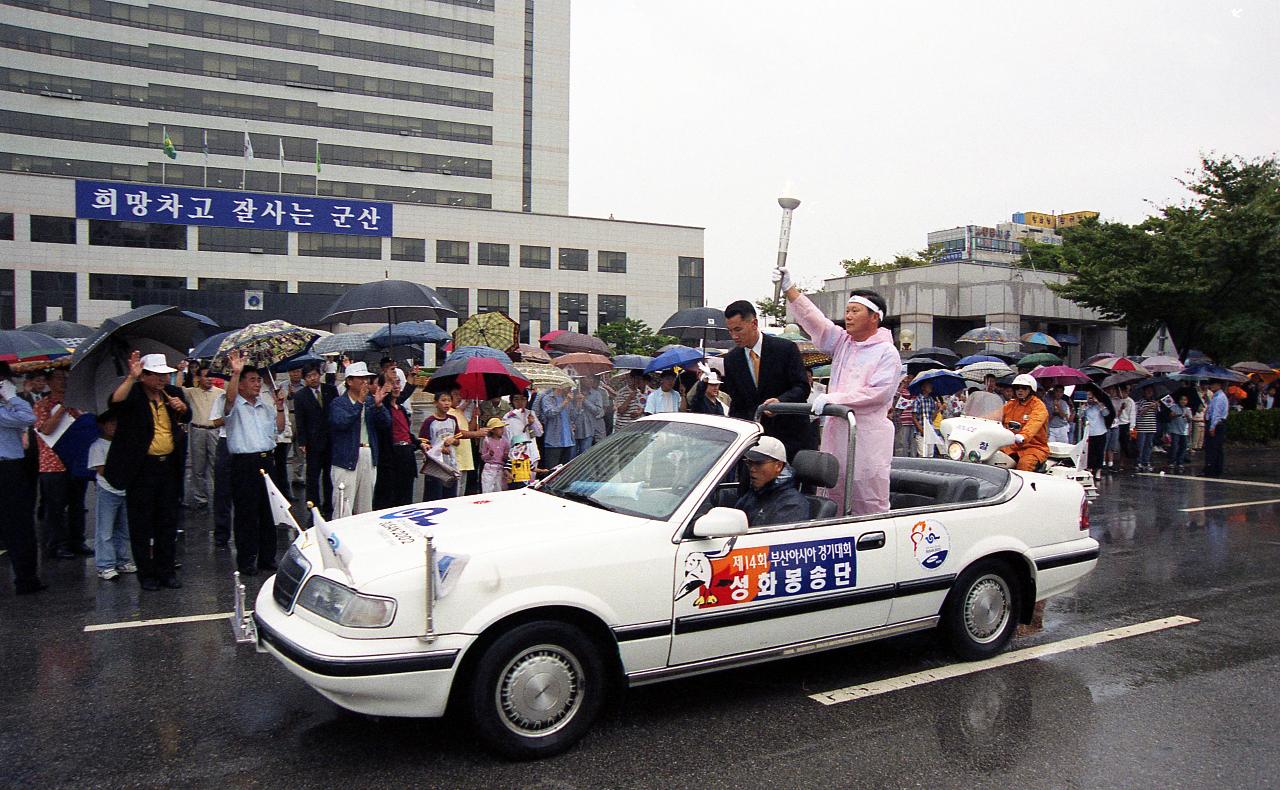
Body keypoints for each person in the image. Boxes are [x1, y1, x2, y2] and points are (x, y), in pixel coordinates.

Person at [776, 271, 899, 514]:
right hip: (836, 436)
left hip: (866, 439)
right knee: (832, 494)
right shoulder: (843, 342)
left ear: (875, 317)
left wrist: (835, 399)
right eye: (848, 310)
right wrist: (790, 290)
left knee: (867, 500)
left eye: (856, 311)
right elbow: (816, 321)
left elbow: (878, 394)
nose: (849, 316)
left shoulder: (887, 352)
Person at [105, 351, 191, 591]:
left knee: (167, 521)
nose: (162, 380)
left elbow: (189, 414)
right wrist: (131, 378)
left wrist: (182, 407)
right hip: (142, 469)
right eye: (156, 375)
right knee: (141, 523)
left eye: (165, 375)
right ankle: (147, 573)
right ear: (145, 376)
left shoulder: (172, 394)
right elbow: (114, 402)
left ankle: (166, 571)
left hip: (168, 467)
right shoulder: (133, 394)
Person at [721, 300, 811, 459]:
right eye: (729, 331)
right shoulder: (731, 359)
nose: (734, 336)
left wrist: (780, 402)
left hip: (790, 438)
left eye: (738, 329)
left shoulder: (785, 349)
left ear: (754, 323)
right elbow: (737, 403)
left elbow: (802, 387)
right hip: (755, 443)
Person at [222, 352, 286, 576]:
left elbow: (279, 428)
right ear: (240, 384)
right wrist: (236, 371)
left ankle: (267, 557)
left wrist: (279, 407)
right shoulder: (233, 404)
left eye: (259, 380)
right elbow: (228, 402)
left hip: (267, 460)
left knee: (269, 512)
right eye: (252, 379)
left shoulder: (264, 406)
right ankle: (247, 559)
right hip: (244, 463)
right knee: (246, 513)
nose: (257, 384)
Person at [32, 369, 89, 558]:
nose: (63, 382)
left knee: (77, 504)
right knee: (55, 507)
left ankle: (77, 540)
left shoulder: (77, 405)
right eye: (58, 379)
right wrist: (62, 408)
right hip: (52, 463)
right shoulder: (42, 405)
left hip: (75, 462)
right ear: (48, 382)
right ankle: (56, 544)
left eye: (66, 378)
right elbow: (46, 429)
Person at [328, 361, 390, 517]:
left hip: (368, 454)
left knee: (365, 506)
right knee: (344, 505)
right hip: (346, 459)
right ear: (349, 381)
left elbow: (386, 424)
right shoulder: (338, 403)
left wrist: (379, 406)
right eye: (360, 378)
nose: (365, 382)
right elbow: (341, 423)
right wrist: (359, 403)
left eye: (367, 379)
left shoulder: (371, 401)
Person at [0, 367, 42, 594]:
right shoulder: (9, 405)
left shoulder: (7, 405)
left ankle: (27, 578)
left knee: (21, 525)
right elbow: (29, 417)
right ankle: (25, 579)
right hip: (5, 467)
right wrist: (13, 397)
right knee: (16, 525)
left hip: (14, 466)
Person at [88, 410, 134, 581]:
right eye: (111, 424)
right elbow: (101, 469)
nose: (115, 427)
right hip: (108, 489)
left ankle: (123, 559)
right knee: (105, 529)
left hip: (124, 490)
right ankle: (105, 564)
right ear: (103, 426)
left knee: (124, 528)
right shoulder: (97, 446)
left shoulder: (124, 444)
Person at [733, 436, 809, 527]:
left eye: (758, 463)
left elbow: (777, 540)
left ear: (778, 466)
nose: (752, 469)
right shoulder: (753, 494)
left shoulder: (792, 505)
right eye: (749, 463)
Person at [293, 364, 337, 520]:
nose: (313, 378)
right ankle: (313, 508)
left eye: (315, 375)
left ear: (320, 374)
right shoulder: (300, 396)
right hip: (312, 441)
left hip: (330, 439)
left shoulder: (330, 390)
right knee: (313, 476)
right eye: (309, 376)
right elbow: (300, 420)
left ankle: (329, 506)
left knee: (329, 476)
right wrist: (302, 442)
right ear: (305, 379)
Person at [375, 370, 422, 508]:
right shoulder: (382, 408)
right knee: (390, 499)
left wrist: (419, 443)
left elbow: (406, 432)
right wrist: (378, 405)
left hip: (407, 455)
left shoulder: (400, 408)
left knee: (406, 499)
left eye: (398, 382)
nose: (396, 386)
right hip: (391, 458)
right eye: (391, 383)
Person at [183, 364, 223, 510]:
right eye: (206, 376)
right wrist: (180, 370)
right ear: (199, 377)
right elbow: (176, 389)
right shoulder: (192, 392)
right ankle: (201, 498)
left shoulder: (220, 392)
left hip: (214, 431)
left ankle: (216, 495)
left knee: (215, 465)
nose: (209, 379)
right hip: (197, 430)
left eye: (212, 376)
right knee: (198, 466)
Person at [999, 374, 1050, 472]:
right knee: (993, 458)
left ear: (1031, 390)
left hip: (1033, 448)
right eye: (1017, 388)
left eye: (1024, 388)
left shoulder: (1038, 406)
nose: (1020, 390)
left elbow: (1035, 423)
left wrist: (1023, 435)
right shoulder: (1011, 404)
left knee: (1025, 464)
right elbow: (995, 415)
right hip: (1011, 446)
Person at [419, 391, 460, 501]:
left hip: (451, 465)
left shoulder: (453, 420)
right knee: (434, 498)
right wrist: (439, 450)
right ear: (435, 403)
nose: (446, 403)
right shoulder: (429, 422)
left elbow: (458, 441)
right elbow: (423, 444)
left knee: (450, 498)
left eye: (449, 400)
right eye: (443, 400)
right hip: (435, 465)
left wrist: (453, 440)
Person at [536, 384, 576, 468]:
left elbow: (574, 416)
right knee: (552, 470)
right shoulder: (548, 398)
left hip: (568, 440)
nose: (570, 388)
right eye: (568, 385)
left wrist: (579, 404)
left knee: (566, 470)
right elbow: (550, 413)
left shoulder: (567, 399)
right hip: (553, 441)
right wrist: (565, 402)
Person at [502, 390, 543, 472]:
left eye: (523, 399)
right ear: (512, 401)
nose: (520, 402)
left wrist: (532, 423)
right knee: (519, 481)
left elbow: (539, 433)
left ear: (527, 400)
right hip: (516, 455)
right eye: (516, 399)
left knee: (531, 480)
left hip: (532, 454)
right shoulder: (507, 417)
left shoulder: (531, 413)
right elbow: (506, 438)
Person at [1201, 379, 1230, 477]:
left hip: (1217, 424)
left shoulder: (1219, 397)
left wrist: (1212, 427)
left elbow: (1216, 414)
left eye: (1213, 384)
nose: (1211, 386)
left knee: (1213, 448)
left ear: (1219, 385)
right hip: (1216, 423)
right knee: (1216, 448)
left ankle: (1212, 470)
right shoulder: (1216, 396)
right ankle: (1215, 469)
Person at [574, 375, 608, 455]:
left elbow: (597, 411)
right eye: (588, 378)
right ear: (581, 379)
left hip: (588, 430)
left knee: (584, 455)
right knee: (572, 457)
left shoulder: (596, 394)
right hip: (574, 430)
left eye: (592, 378)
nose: (591, 380)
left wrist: (585, 401)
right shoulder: (574, 393)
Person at [1082, 391, 1111, 475]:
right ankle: (1090, 469)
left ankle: (1098, 470)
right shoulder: (1085, 406)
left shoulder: (1099, 405)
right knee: (1090, 452)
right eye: (1088, 395)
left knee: (1099, 452)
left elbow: (1106, 414)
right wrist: (1083, 408)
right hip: (1089, 433)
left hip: (1100, 432)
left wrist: (1098, 403)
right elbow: (1079, 416)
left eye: (1091, 395)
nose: (1089, 397)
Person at [479, 418, 510, 493]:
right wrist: (489, 454)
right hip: (489, 468)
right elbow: (483, 457)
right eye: (499, 428)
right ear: (493, 430)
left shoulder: (505, 441)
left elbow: (506, 456)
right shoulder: (487, 441)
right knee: (487, 489)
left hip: (500, 469)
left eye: (502, 428)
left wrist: (505, 456)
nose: (502, 430)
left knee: (499, 490)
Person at [911, 379, 940, 458]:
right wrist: (921, 429)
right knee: (922, 453)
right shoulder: (918, 400)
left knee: (930, 454)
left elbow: (932, 418)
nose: (931, 387)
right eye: (928, 385)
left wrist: (938, 410)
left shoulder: (931, 400)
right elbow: (914, 417)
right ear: (923, 387)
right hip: (921, 431)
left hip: (929, 430)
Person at [1133, 386, 1160, 472]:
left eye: (1151, 391)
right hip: (1142, 427)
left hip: (1151, 427)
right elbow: (1140, 413)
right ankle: (1138, 462)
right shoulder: (1141, 402)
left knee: (1149, 445)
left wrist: (1156, 406)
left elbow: (1157, 413)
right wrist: (1148, 407)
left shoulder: (1154, 402)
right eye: (1147, 391)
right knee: (1140, 445)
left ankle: (1146, 461)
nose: (1149, 393)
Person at [892, 374, 916, 457]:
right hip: (901, 419)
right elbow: (896, 398)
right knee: (901, 441)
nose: (908, 380)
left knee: (910, 441)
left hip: (910, 419)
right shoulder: (901, 390)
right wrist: (902, 385)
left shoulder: (914, 391)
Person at [1166, 394, 1191, 472]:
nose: (1183, 401)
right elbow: (1170, 416)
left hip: (1184, 431)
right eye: (1181, 399)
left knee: (1183, 447)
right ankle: (1172, 461)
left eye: (1185, 400)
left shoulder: (1188, 409)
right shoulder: (1174, 407)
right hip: (1175, 430)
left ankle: (1180, 462)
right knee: (1174, 446)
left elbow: (1190, 420)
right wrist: (1174, 415)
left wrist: (1187, 417)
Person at [1115, 385, 1136, 468]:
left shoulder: (1130, 401)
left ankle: (1122, 461)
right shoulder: (1117, 400)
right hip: (1117, 423)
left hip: (1126, 424)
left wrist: (1132, 427)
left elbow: (1132, 414)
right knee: (1117, 443)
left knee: (1125, 444)